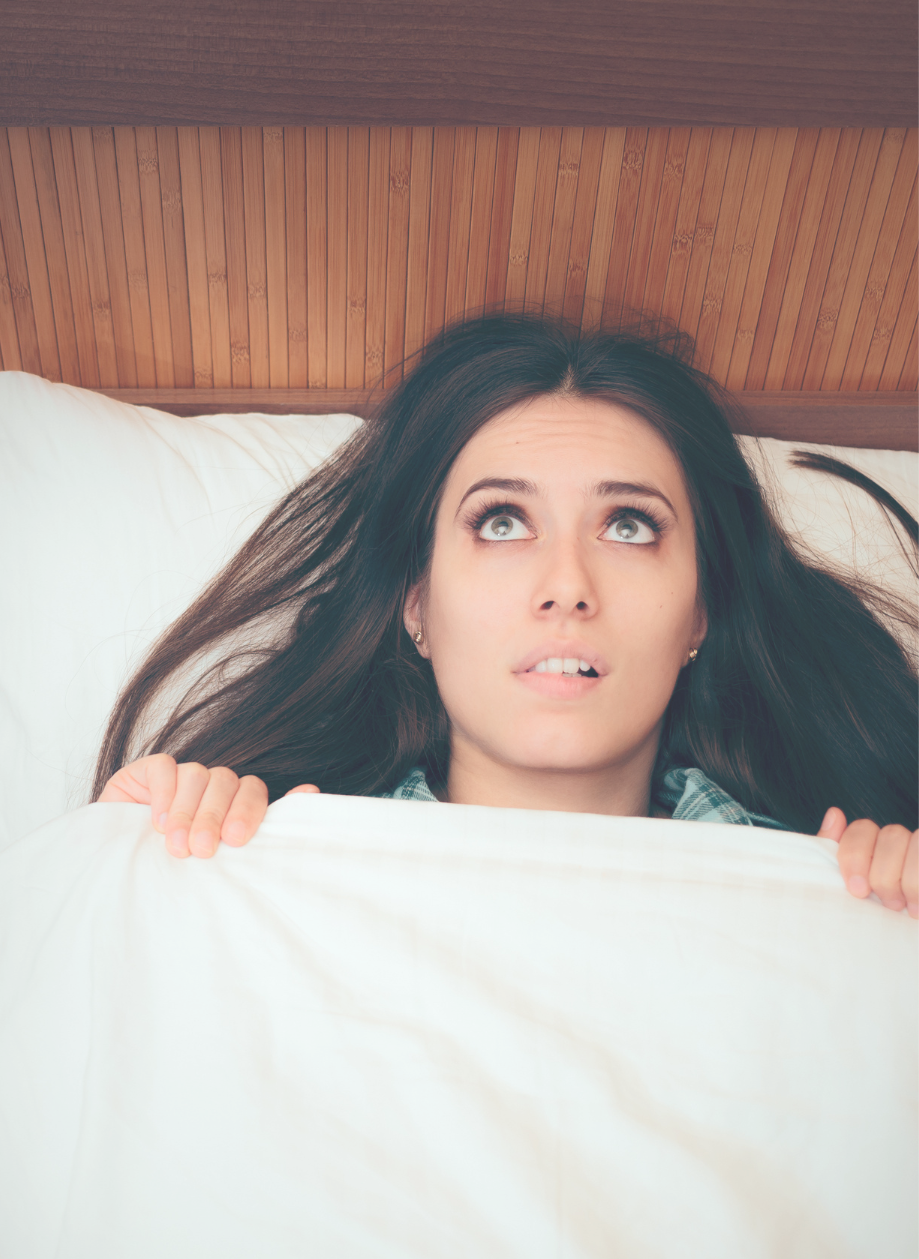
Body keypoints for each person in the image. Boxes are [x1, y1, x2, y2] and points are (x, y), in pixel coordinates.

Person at [92, 313, 918, 917]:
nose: (567, 586)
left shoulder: (835, 893)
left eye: (628, 525)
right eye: (501, 522)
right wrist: (128, 857)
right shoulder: (267, 864)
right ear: (416, 607)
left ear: (699, 616)